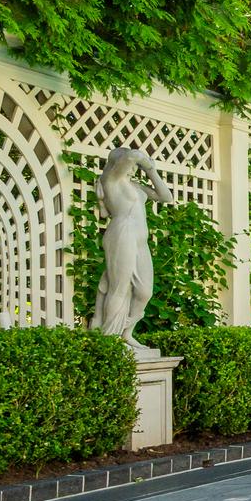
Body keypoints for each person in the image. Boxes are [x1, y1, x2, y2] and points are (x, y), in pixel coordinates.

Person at [91, 146, 175, 353]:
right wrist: (143, 161)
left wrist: (151, 171)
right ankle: (109, 339)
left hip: (139, 240)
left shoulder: (136, 186)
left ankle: (126, 332)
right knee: (119, 287)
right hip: (122, 234)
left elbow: (166, 197)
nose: (133, 167)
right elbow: (132, 155)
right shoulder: (111, 180)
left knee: (144, 291)